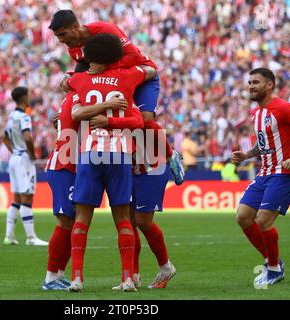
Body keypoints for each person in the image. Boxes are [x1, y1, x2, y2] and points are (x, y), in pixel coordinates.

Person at [48, 9, 185, 185]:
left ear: (75, 27)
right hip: (119, 81)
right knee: (121, 120)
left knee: (143, 121)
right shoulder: (73, 49)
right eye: (58, 36)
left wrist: (106, 66)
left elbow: (134, 56)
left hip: (143, 74)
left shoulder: (105, 29)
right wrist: (71, 79)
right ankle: (133, 166)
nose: (60, 40)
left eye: (63, 34)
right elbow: (89, 74)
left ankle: (170, 155)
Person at [66, 33, 155, 292]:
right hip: (120, 153)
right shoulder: (128, 76)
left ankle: (77, 278)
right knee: (123, 218)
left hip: (90, 152)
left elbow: (73, 104)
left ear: (91, 55)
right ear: (115, 55)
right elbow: (150, 70)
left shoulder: (79, 79)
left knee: (82, 218)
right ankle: (128, 278)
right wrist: (118, 65)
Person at [42, 62, 129, 290]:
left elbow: (65, 122)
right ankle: (51, 276)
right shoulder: (79, 98)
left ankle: (59, 274)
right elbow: (75, 118)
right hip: (65, 164)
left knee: (71, 222)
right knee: (65, 221)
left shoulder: (77, 97)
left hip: (74, 164)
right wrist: (109, 104)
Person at [232, 68, 290, 288]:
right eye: (249, 82)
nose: (251, 86)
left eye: (256, 82)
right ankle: (274, 262)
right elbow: (264, 145)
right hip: (265, 172)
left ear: (269, 85)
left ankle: (272, 270)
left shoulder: (283, 107)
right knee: (243, 216)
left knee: (263, 219)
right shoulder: (257, 113)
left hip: (284, 172)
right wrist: (247, 155)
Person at [2, 87, 48, 246]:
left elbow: (4, 138)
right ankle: (31, 238)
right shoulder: (24, 116)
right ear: (23, 98)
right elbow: (28, 137)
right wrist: (33, 155)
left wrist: (14, 150)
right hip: (23, 160)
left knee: (16, 198)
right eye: (28, 96)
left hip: (14, 158)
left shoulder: (11, 116)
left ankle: (9, 236)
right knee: (27, 197)